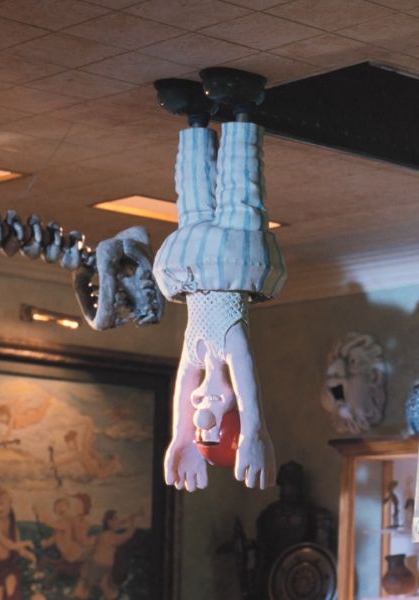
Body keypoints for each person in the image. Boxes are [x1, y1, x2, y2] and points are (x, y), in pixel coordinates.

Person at [152, 69, 285, 492]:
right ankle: (243, 107)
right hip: (234, 264)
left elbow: (181, 389)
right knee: (240, 193)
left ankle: (197, 117)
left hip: (195, 268)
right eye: (215, 417)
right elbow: (248, 386)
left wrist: (180, 436)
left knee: (192, 202)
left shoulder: (196, 352)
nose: (203, 405)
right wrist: (254, 431)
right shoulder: (231, 343)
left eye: (199, 424)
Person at [73, 510, 139, 600]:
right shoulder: (109, 536)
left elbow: (122, 525)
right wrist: (133, 521)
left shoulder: (105, 535)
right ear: (109, 522)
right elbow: (128, 534)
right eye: (115, 519)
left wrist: (131, 518)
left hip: (103, 566)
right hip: (97, 565)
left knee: (101, 588)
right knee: (87, 588)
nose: (118, 521)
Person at [55, 424, 122, 480]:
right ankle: (77, 437)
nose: (93, 439)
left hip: (95, 469)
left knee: (83, 451)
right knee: (83, 451)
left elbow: (102, 472)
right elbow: (102, 470)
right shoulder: (87, 454)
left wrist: (113, 461)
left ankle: (77, 437)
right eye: (92, 437)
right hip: (95, 468)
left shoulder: (89, 455)